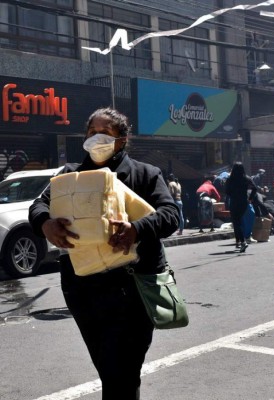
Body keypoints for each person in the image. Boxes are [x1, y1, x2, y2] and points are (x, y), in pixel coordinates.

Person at [28, 107, 180, 400]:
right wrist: (45, 223)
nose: (95, 138)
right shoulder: (70, 175)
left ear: (121, 140)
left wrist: (136, 228)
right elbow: (39, 205)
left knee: (122, 370)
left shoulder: (145, 174)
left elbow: (171, 214)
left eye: (105, 133)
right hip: (83, 290)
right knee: (110, 369)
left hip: (133, 289)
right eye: (91, 132)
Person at [225, 162, 257, 252]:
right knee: (239, 221)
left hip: (234, 202)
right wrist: (250, 199)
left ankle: (242, 242)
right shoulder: (246, 178)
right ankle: (239, 241)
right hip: (244, 202)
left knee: (236, 222)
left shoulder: (230, 179)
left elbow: (227, 192)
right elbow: (255, 188)